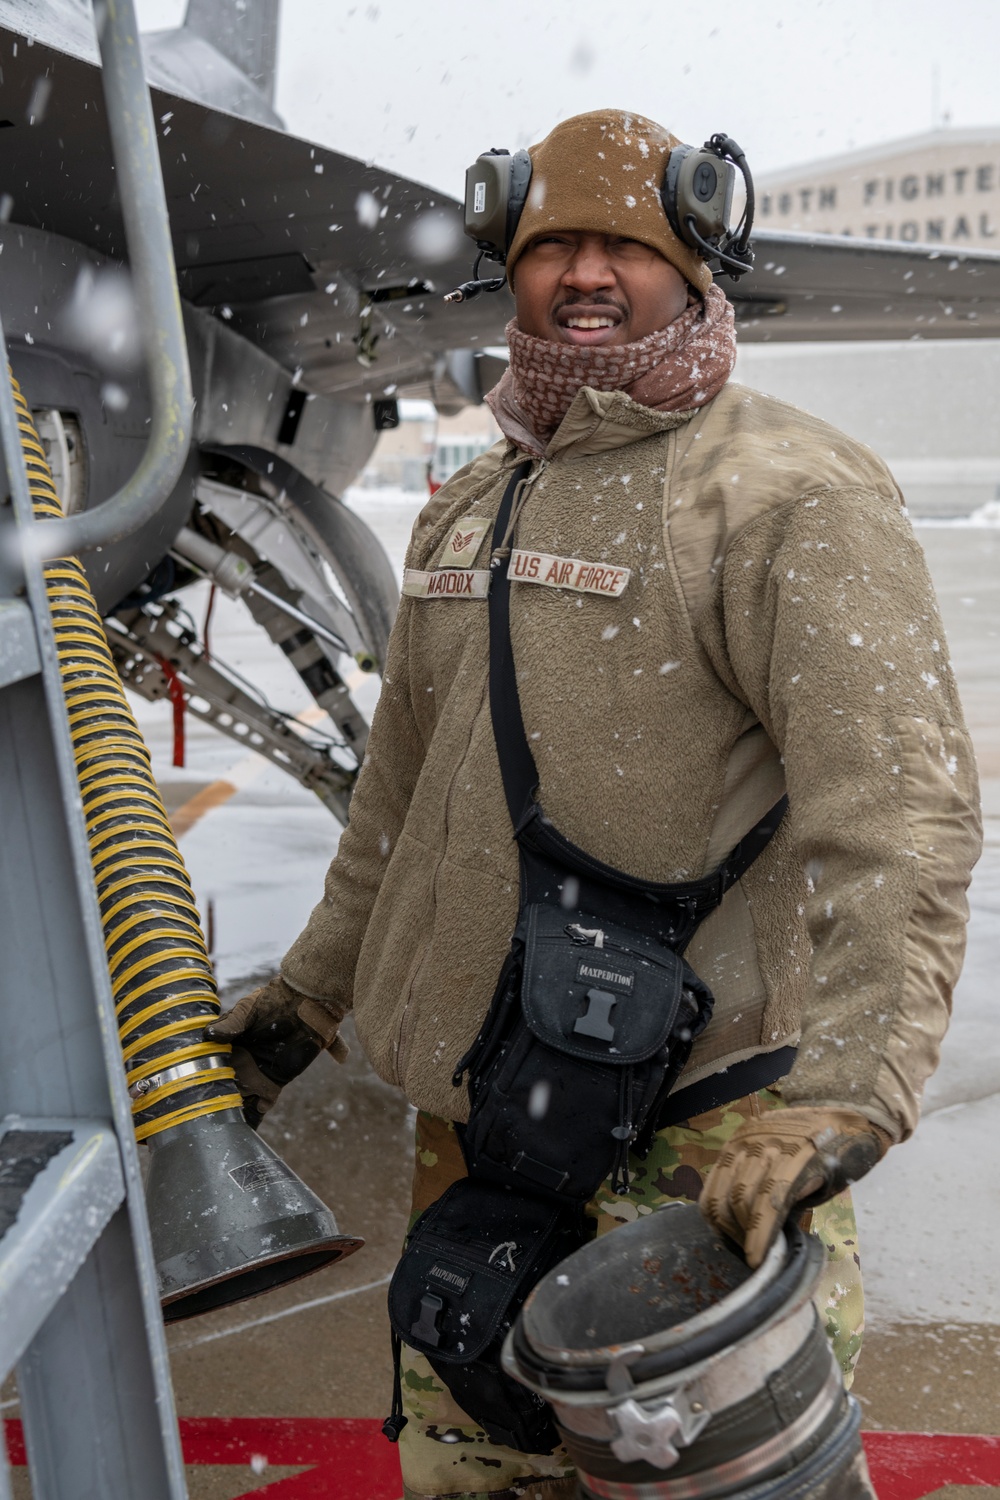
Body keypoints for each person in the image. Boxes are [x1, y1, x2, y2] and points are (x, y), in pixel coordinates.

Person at [208, 110, 982, 1500]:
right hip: (482, 1136)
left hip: (698, 1141)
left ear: (694, 257)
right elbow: (396, 802)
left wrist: (852, 1091)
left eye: (624, 243)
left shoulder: (789, 493)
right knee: (476, 1474)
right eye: (554, 239)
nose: (583, 271)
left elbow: (903, 817)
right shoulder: (473, 504)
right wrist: (316, 995)